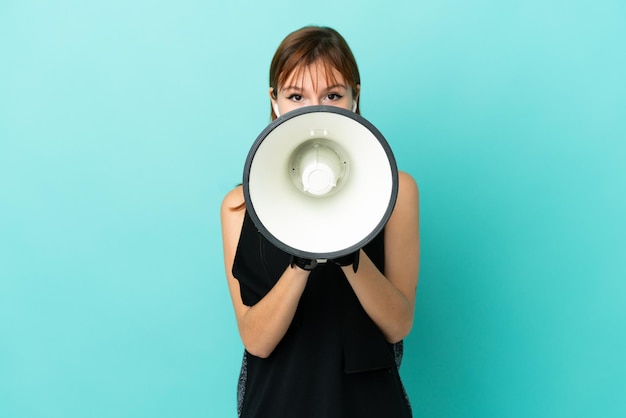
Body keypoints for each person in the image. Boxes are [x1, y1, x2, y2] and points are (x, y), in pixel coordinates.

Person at [221, 26, 420, 418]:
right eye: (296, 96)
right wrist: (302, 258)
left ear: (354, 97)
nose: (316, 109)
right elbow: (256, 340)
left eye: (332, 94)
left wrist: (348, 252)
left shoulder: (399, 193)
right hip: (277, 400)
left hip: (367, 403)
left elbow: (398, 325)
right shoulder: (239, 207)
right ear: (274, 102)